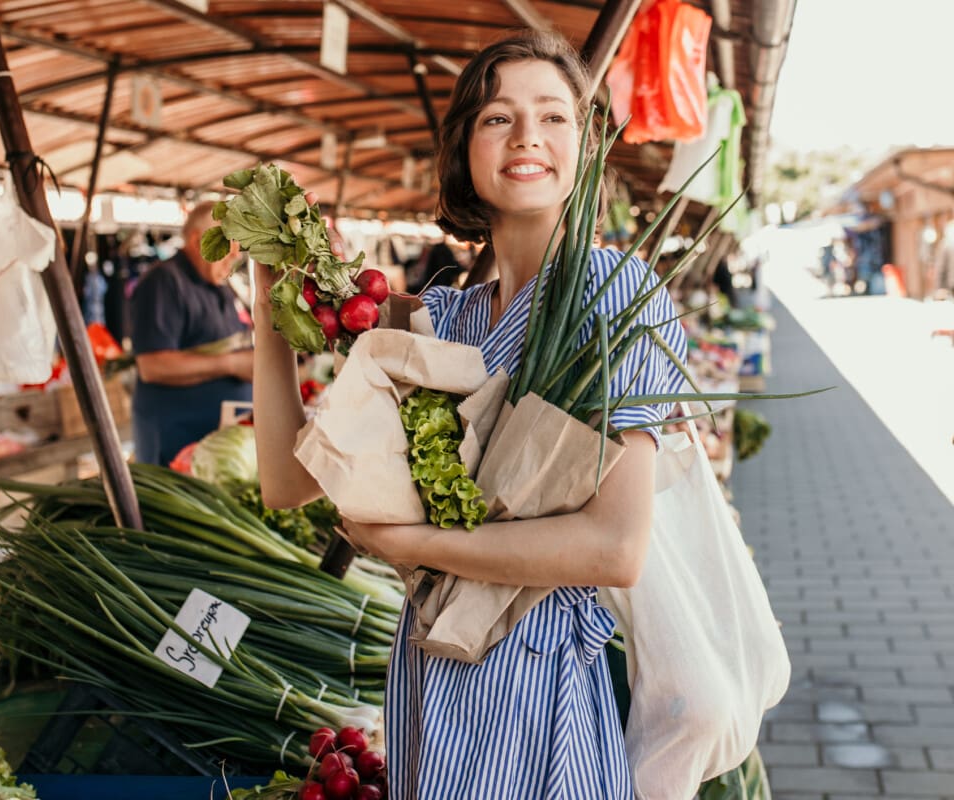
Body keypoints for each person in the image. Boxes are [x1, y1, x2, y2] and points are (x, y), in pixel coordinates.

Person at [252, 30, 686, 798]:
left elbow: (614, 548)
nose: (527, 137)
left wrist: (415, 542)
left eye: (554, 117)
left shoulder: (615, 295)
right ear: (464, 149)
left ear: (584, 146)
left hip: (535, 688)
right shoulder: (441, 319)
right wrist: (269, 309)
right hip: (430, 677)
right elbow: (289, 481)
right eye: (497, 118)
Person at [128, 202, 253, 466]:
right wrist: (232, 364)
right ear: (198, 240)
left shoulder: (218, 283)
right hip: (174, 442)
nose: (235, 254)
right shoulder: (163, 282)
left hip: (213, 443)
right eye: (228, 243)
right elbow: (153, 366)